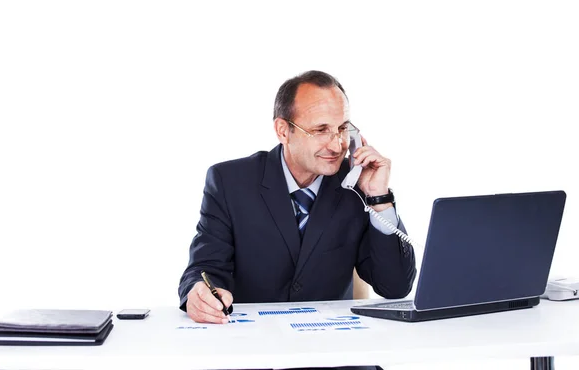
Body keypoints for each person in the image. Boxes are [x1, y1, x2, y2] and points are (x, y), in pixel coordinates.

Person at [178, 70, 416, 370]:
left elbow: (394, 287)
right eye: (321, 130)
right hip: (253, 354)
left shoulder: (356, 186)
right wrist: (198, 294)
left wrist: (379, 198)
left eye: (343, 128)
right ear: (282, 130)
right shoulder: (229, 182)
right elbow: (203, 269)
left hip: (335, 357)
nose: (337, 144)